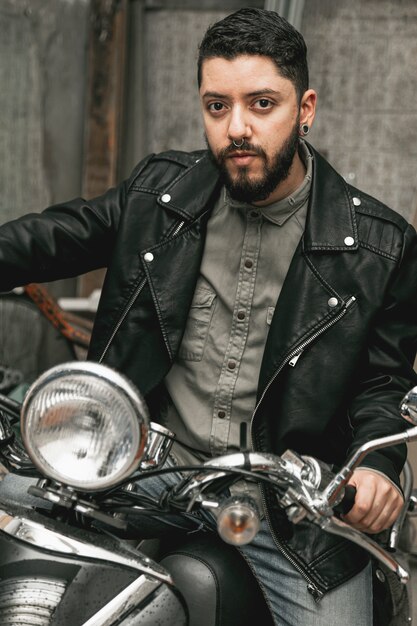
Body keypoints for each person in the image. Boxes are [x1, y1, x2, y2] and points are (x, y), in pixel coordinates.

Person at [0, 7, 416, 625]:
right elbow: (51, 238)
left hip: (286, 507)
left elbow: (383, 386)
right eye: (217, 106)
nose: (237, 128)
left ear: (305, 109)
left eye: (262, 104)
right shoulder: (159, 195)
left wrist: (378, 467)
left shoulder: (381, 247)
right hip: (145, 470)